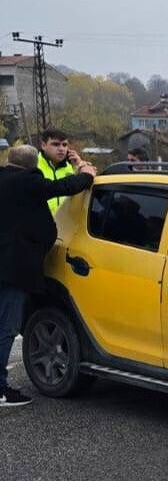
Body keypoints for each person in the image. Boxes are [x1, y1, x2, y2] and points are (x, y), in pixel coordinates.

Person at [0, 144, 96, 407]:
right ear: (33, 166)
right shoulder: (28, 182)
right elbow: (63, 188)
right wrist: (86, 174)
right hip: (13, 269)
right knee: (7, 327)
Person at [37, 128, 83, 214]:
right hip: (41, 223)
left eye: (64, 145)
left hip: (68, 223)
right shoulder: (33, 165)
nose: (61, 149)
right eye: (56, 144)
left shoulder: (71, 166)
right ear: (43, 145)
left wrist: (80, 166)